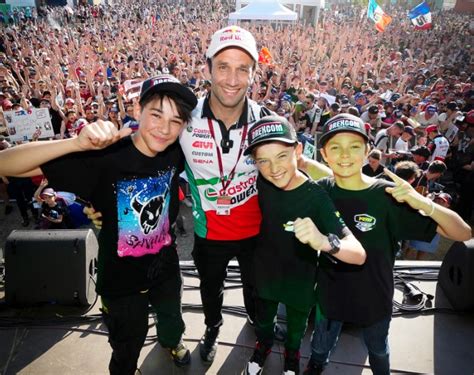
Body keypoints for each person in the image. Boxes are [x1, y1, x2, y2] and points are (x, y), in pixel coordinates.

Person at [0, 75, 198, 375]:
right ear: (136, 110)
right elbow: (6, 163)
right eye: (156, 114)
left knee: (171, 315)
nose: (164, 128)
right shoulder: (104, 156)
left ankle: (172, 342)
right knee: (127, 342)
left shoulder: (175, 150)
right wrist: (75, 142)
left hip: (165, 265)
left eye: (176, 120)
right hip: (121, 280)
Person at [179, 25, 332, 364]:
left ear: (254, 75)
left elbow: (299, 165)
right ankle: (212, 327)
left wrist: (348, 180)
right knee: (209, 288)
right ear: (207, 69)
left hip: (257, 235)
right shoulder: (184, 120)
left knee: (256, 291)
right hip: (209, 233)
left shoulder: (268, 120)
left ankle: (258, 324)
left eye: (242, 69)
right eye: (223, 67)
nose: (232, 79)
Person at [302, 113, 471, 374]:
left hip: (375, 296)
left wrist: (424, 203)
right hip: (329, 294)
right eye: (335, 147)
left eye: (354, 146)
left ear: (368, 151)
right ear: (324, 153)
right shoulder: (319, 192)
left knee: (378, 350)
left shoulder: (386, 196)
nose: (345, 155)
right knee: (320, 348)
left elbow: (463, 233)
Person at [242, 115, 366, 375]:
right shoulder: (261, 181)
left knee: (297, 328)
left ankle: (291, 358)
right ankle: (262, 347)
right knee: (263, 322)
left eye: (281, 156)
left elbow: (358, 253)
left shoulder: (316, 196)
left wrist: (324, 241)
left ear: (298, 150)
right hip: (265, 271)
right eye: (263, 160)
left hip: (301, 277)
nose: (274, 168)